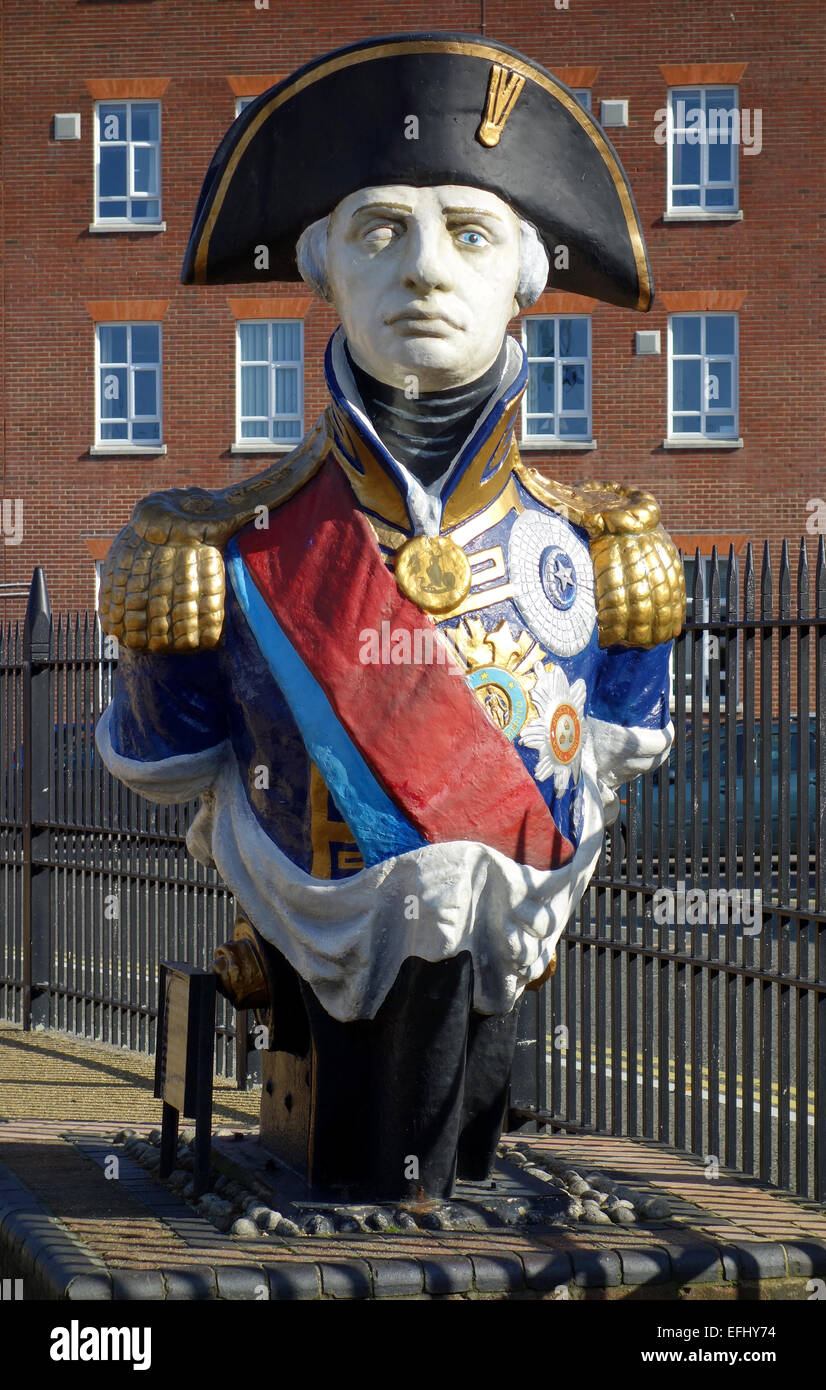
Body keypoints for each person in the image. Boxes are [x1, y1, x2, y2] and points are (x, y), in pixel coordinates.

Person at [96, 33, 685, 1201]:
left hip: (487, 1016)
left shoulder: (601, 555)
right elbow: (169, 758)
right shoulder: (223, 551)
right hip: (310, 1024)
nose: (422, 269)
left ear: (526, 273)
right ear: (322, 267)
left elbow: (614, 755)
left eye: (467, 232)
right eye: (381, 230)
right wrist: (165, 640)